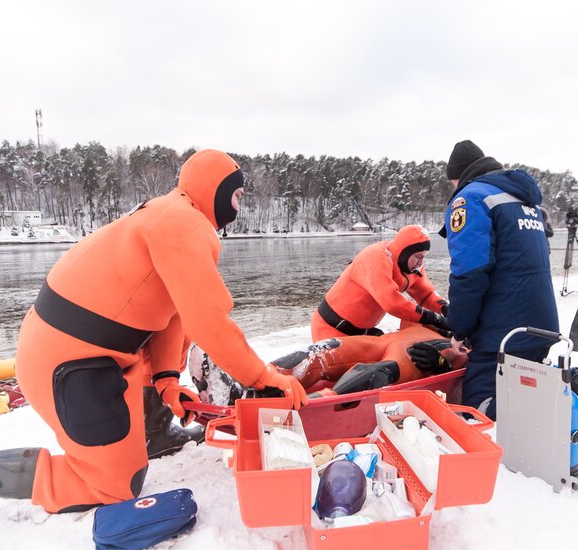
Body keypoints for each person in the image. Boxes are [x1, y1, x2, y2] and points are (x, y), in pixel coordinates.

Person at [0, 149, 309, 548]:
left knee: (154, 362)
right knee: (112, 486)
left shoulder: (170, 214)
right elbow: (211, 324)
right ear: (216, 190)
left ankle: (152, 434)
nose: (238, 207)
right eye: (237, 196)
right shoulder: (183, 225)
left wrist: (168, 381)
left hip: (93, 351)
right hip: (71, 362)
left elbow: (172, 315)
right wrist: (264, 376)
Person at [441, 140, 559, 419]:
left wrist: (459, 329)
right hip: (541, 325)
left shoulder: (469, 198)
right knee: (527, 394)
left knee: (478, 410)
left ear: (457, 177)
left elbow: (469, 273)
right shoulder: (522, 200)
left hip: (503, 332)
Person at [192, 324, 469, 404]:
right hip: (386, 341)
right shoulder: (442, 318)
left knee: (379, 372)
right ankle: (252, 386)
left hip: (411, 359)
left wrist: (443, 363)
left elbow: (468, 363)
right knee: (323, 351)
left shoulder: (471, 340)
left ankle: (313, 404)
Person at [310, 224, 450, 342]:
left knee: (415, 328)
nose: (420, 262)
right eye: (418, 257)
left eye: (423, 257)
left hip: (363, 333)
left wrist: (445, 308)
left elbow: (425, 295)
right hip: (331, 329)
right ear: (405, 253)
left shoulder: (412, 266)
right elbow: (392, 303)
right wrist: (435, 319)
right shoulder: (376, 257)